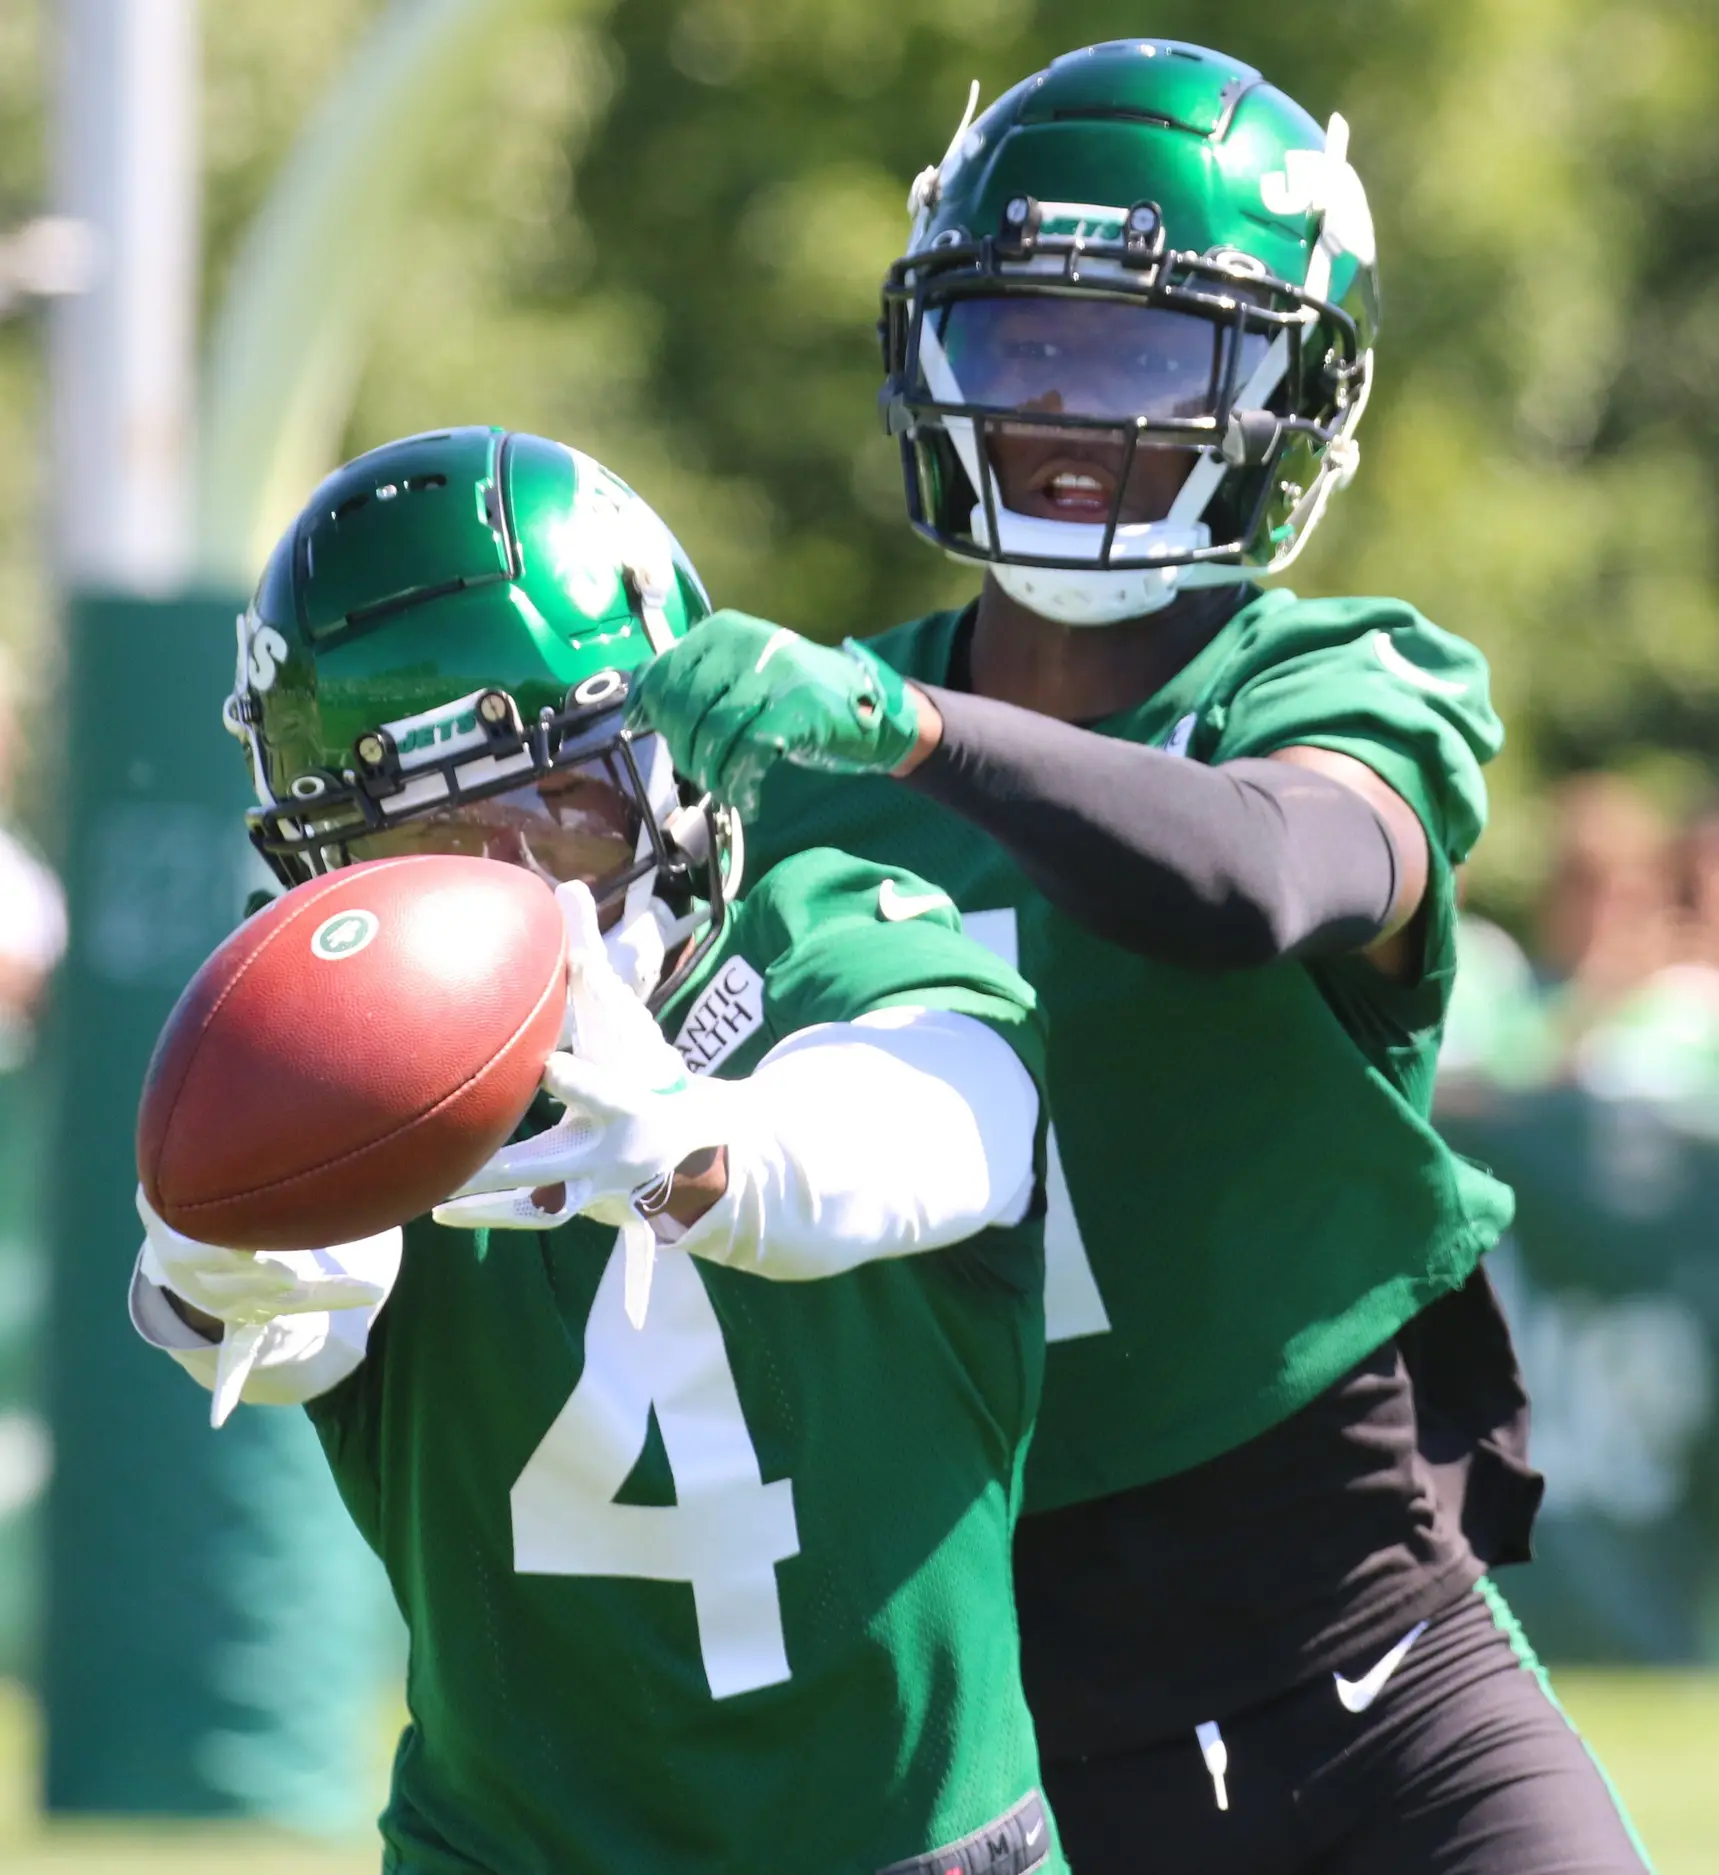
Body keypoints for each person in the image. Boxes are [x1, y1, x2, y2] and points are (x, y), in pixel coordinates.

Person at [628, 41, 1653, 1875]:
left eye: (1146, 355)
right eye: (1023, 338)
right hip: (1006, 1757)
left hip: (1379, 1680)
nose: (1069, 407)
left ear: (1293, 390)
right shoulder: (789, 769)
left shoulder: (1333, 683)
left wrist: (914, 731)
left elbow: (1250, 877)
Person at [128, 427, 1066, 1875]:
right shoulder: (353, 1070)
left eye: (553, 810)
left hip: (910, 1839)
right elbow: (272, 1315)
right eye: (419, 846)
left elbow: (953, 1131)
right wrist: (211, 1266)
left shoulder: (832, 931)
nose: (500, 893)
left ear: (674, 763)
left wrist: (700, 1147)